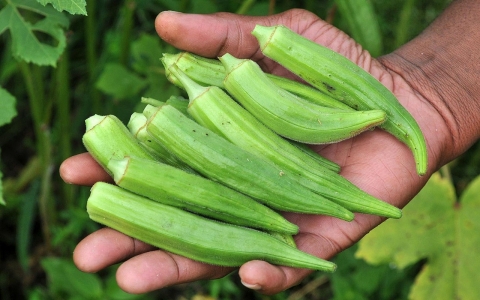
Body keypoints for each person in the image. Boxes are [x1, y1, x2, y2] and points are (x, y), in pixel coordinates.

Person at [59, 0, 480, 295]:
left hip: (288, 157)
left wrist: (433, 96)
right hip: (267, 160)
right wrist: (436, 92)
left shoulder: (229, 93)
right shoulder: (211, 107)